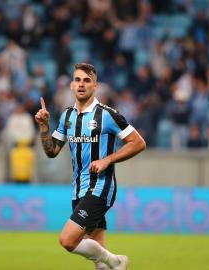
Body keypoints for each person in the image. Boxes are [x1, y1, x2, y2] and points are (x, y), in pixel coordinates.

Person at [35, 63, 146, 270]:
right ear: (71, 85)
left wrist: (107, 160)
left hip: (100, 188)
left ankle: (117, 261)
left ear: (95, 86)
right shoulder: (67, 116)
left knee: (68, 240)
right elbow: (52, 151)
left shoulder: (107, 114)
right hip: (78, 189)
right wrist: (44, 128)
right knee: (98, 258)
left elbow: (138, 142)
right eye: (77, 80)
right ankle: (112, 264)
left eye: (87, 81)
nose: (81, 85)